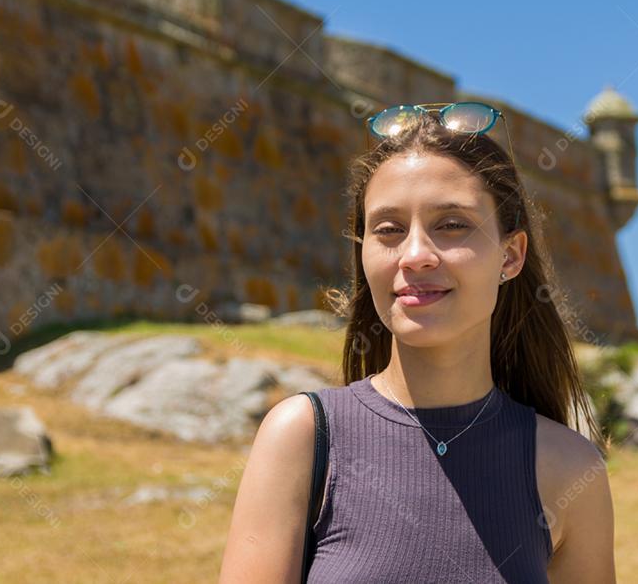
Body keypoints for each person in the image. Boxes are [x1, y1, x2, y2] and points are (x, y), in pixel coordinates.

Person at [219, 102, 616, 583]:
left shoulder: (572, 470)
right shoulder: (301, 437)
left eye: (451, 225)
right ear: (363, 252)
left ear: (510, 256)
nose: (415, 255)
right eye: (388, 230)